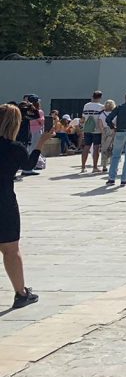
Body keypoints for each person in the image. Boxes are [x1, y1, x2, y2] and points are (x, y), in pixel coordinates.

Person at [1, 104, 51, 308]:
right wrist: (41, 141)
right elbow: (30, 165)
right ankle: (21, 293)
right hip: (4, 202)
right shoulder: (15, 148)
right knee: (11, 250)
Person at [81, 91, 105, 173]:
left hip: (87, 129)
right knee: (96, 148)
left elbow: (83, 118)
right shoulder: (101, 107)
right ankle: (95, 167)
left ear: (92, 96)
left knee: (86, 147)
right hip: (97, 130)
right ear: (100, 97)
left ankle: (83, 167)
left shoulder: (86, 105)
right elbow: (101, 119)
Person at [99, 99, 116, 172]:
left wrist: (103, 132)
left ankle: (104, 166)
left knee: (104, 148)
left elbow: (100, 125)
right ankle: (113, 164)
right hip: (113, 130)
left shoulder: (102, 114)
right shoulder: (114, 114)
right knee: (113, 148)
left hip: (105, 131)